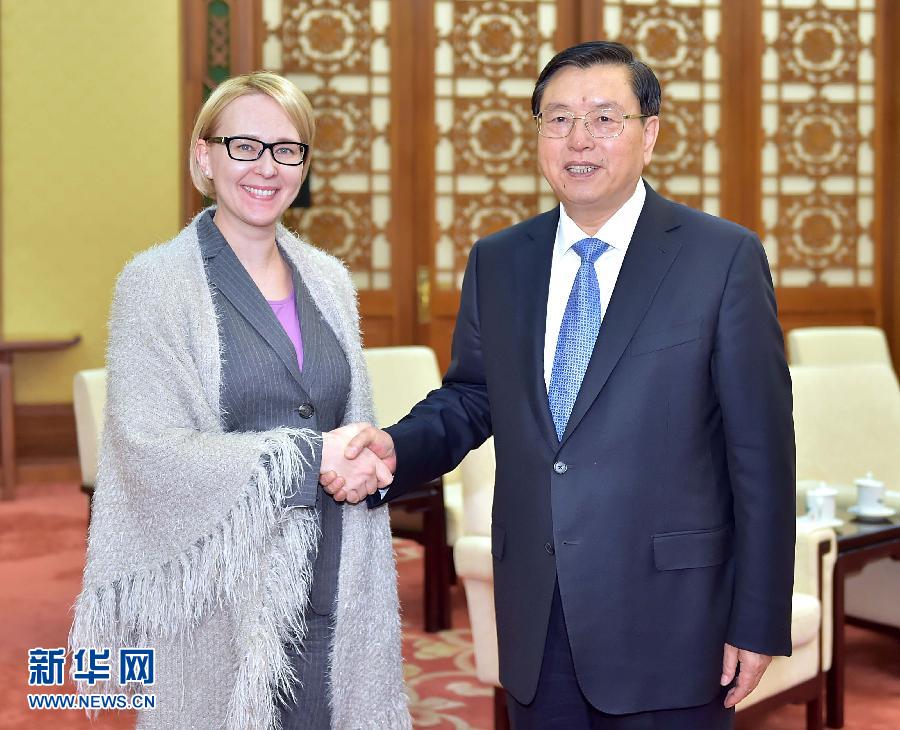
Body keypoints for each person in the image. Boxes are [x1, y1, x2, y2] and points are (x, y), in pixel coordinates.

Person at [326, 42, 795, 729]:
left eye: (605, 118)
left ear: (649, 134)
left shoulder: (721, 258)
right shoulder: (499, 260)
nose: (580, 139)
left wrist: (757, 619)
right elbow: (473, 396)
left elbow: (762, 454)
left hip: (673, 619)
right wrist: (397, 447)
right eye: (559, 119)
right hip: (537, 610)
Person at [70, 72, 411, 729]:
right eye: (244, 146)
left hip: (336, 562)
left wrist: (364, 455)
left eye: (287, 149)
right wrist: (307, 457)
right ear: (204, 156)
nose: (267, 167)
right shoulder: (154, 283)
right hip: (222, 584)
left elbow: (352, 417)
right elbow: (147, 450)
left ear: (304, 166)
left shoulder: (329, 280)